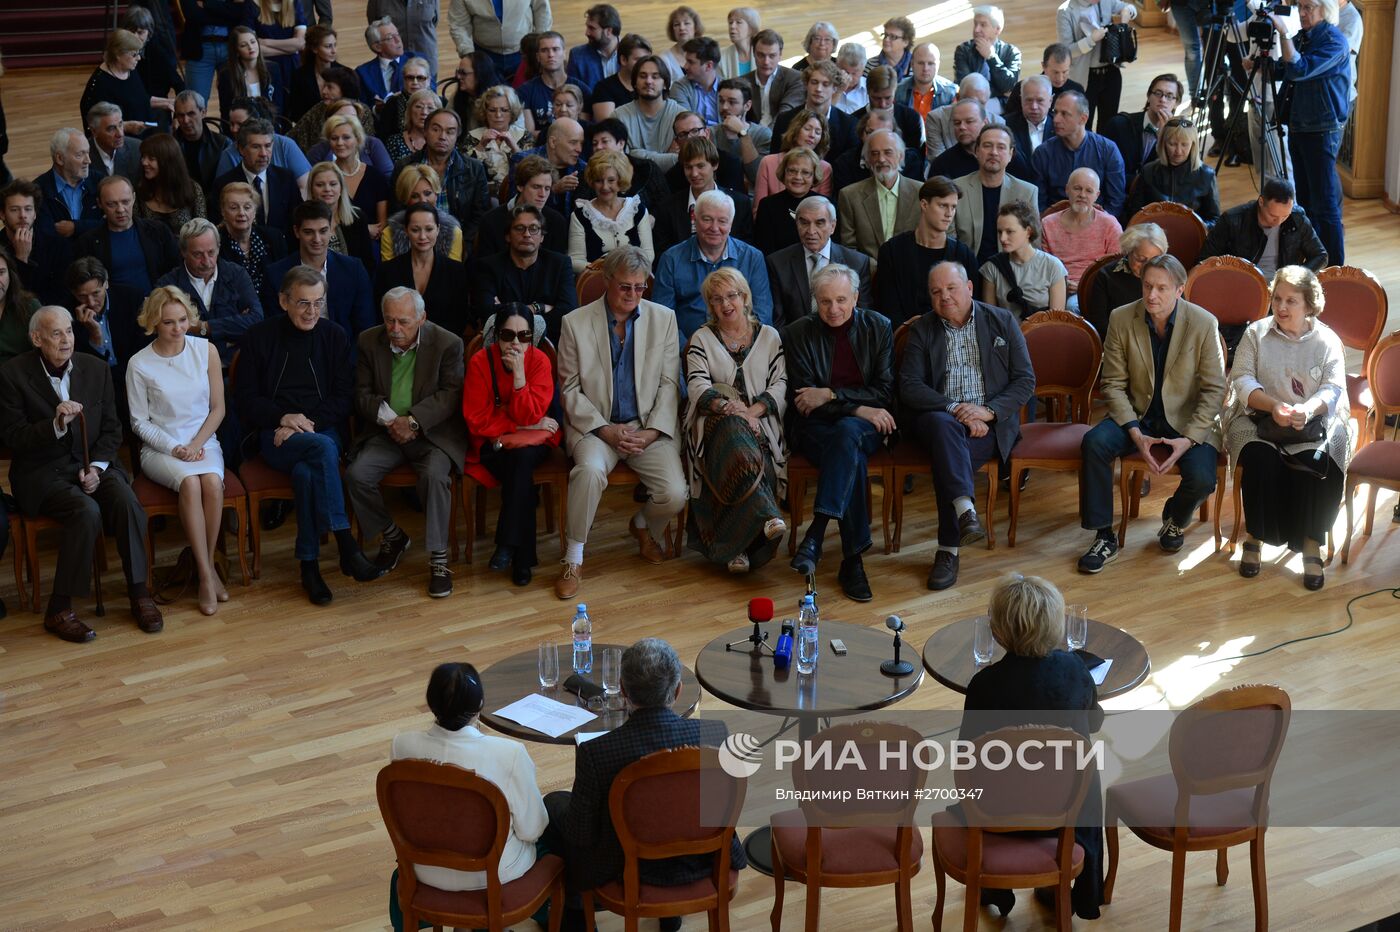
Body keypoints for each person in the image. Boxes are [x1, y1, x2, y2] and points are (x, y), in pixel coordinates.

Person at [544, 637, 745, 928]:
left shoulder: (596, 753)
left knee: (554, 805)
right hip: (702, 862)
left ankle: (574, 915)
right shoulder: (716, 735)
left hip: (628, 870)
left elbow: (581, 834)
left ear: (624, 691)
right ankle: (668, 916)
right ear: (677, 690)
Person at [0, 306, 162, 642]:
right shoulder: (12, 375)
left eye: (69, 331)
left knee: (126, 501)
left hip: (93, 464)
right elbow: (13, 437)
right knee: (85, 511)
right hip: (42, 472)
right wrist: (55, 425)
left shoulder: (96, 368)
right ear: (36, 338)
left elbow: (113, 430)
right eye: (56, 333)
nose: (66, 340)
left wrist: (97, 468)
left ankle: (139, 593)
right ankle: (59, 608)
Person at [234, 265, 386, 604]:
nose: (312, 311)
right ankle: (347, 546)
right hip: (273, 435)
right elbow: (245, 400)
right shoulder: (259, 337)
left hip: (317, 429)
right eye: (303, 303)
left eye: (318, 303)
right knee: (322, 451)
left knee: (308, 468)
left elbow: (344, 396)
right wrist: (282, 418)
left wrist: (304, 423)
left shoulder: (333, 335)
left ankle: (309, 566)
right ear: (283, 301)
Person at [959, 572, 1106, 921]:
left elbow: (967, 759)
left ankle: (995, 887)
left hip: (999, 814)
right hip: (1068, 814)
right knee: (1086, 766)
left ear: (998, 631)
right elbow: (1095, 723)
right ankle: (1076, 891)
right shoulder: (1075, 670)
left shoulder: (984, 685)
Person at [1077, 255, 1226, 573]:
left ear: (1180, 290)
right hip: (1137, 413)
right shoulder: (1121, 318)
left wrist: (1187, 441)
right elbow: (1113, 385)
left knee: (1202, 479)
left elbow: (1215, 391)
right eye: (1147, 286)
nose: (1152, 295)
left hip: (1186, 420)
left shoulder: (1203, 323)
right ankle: (1104, 536)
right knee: (1094, 443)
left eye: (1161, 288)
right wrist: (1135, 433)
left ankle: (1175, 517)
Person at [553, 247, 685, 599]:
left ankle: (642, 525)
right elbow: (568, 388)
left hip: (647, 427)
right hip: (597, 428)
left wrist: (652, 431)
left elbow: (669, 384)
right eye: (625, 286)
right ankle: (573, 558)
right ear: (607, 281)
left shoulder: (664, 319)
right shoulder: (575, 322)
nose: (632, 295)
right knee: (589, 472)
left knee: (675, 494)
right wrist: (606, 430)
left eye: (640, 288)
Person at [901, 262, 1035, 590]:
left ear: (970, 288)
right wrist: (954, 409)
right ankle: (964, 510)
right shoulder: (923, 329)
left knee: (950, 459)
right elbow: (909, 385)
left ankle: (949, 549)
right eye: (936, 291)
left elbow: (1024, 380)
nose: (944, 297)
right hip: (941, 420)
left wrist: (987, 412)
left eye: (951, 288)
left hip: (988, 426)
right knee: (944, 430)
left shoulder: (1001, 321)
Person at [388, 661, 549, 930]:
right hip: (493, 875)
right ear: (481, 704)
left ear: (430, 702)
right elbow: (532, 829)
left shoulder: (401, 745)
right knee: (551, 839)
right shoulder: (509, 754)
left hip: (425, 870)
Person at [1225, 266, 1350, 589]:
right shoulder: (1256, 333)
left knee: (1319, 461)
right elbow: (1241, 379)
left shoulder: (1326, 340)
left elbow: (1334, 387)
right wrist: (1272, 406)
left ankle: (1310, 542)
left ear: (1309, 305)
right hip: (1259, 418)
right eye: (1277, 299)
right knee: (1259, 458)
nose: (1281, 308)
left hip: (1312, 421)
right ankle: (1256, 536)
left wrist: (1307, 409)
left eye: (1291, 301)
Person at [347, 287, 468, 598]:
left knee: (434, 476)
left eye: (403, 322)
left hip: (431, 434)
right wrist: (393, 421)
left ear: (422, 318)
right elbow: (361, 394)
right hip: (386, 431)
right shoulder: (368, 341)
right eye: (389, 321)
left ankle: (439, 560)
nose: (395, 330)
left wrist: (413, 421)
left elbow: (450, 395)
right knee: (357, 475)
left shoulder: (447, 343)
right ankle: (392, 535)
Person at [783, 264, 893, 601]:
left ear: (856, 297)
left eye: (842, 300)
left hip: (869, 427)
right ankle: (852, 561)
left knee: (848, 434)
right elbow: (805, 402)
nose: (834, 309)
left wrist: (830, 394)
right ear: (815, 300)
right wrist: (857, 407)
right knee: (850, 453)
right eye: (825, 301)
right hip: (817, 429)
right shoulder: (798, 332)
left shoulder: (878, 326)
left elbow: (885, 392)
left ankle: (815, 535)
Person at [124, 286, 228, 616]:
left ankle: (206, 568)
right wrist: (176, 447)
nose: (178, 329)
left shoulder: (205, 351)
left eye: (183, 320)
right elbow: (139, 423)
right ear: (154, 322)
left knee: (211, 481)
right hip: (161, 448)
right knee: (191, 483)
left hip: (204, 441)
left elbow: (218, 409)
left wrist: (196, 445)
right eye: (169, 322)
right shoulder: (139, 364)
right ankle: (206, 574)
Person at [683, 268, 787, 573]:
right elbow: (697, 385)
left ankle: (737, 551)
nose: (726, 304)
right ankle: (768, 516)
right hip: (714, 422)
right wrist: (733, 411)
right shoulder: (702, 338)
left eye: (732, 296)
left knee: (739, 454)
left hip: (762, 423)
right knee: (730, 434)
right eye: (717, 299)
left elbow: (779, 383)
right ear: (710, 305)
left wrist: (752, 413)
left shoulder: (769, 337)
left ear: (745, 298)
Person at [462, 303, 561, 587]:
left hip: (532, 445)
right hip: (492, 444)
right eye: (508, 335)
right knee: (520, 470)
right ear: (496, 335)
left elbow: (532, 411)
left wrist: (519, 378)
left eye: (524, 336)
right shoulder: (482, 361)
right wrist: (524, 426)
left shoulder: (539, 361)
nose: (516, 344)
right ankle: (522, 558)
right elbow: (477, 420)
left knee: (521, 462)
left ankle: (509, 547)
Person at [1272, 0, 1351, 265]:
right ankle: (1315, 260)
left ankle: (1336, 269)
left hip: (1321, 129)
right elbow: (1286, 67)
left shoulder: (1335, 41)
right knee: (1305, 200)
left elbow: (1299, 69)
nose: (1302, 13)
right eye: (1301, 7)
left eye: (1308, 8)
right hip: (1299, 125)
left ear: (1325, 9)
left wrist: (1283, 34)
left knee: (1326, 205)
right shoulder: (1304, 37)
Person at [652, 190, 772, 345]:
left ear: (731, 223)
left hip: (742, 351)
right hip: (686, 352)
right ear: (694, 218)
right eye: (707, 219)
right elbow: (663, 319)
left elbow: (762, 315)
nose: (714, 228)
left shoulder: (752, 258)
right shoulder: (671, 259)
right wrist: (691, 351)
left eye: (722, 221)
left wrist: (738, 349)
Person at [261, 201, 376, 343]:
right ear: (296, 231)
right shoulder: (275, 274)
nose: (317, 239)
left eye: (323, 231)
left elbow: (364, 327)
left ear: (331, 229)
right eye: (309, 232)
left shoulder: (354, 269)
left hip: (343, 355)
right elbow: (274, 330)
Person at [875, 177, 979, 327]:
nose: (949, 213)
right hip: (905, 339)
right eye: (943, 206)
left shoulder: (964, 255)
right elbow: (887, 307)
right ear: (924, 204)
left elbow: (973, 306)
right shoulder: (892, 251)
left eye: (953, 207)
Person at [154, 218, 262, 361]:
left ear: (218, 248)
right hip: (189, 366)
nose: (206, 262)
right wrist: (230, 335)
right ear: (183, 252)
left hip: (237, 365)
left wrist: (203, 327)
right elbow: (165, 332)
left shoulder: (237, 274)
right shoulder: (168, 285)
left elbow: (256, 320)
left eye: (211, 252)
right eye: (197, 255)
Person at [473, 204, 576, 342]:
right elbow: (487, 312)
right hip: (503, 343)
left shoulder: (560, 264)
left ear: (542, 237)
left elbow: (567, 312)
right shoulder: (488, 266)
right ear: (508, 236)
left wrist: (504, 309)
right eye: (519, 228)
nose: (527, 234)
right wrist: (540, 307)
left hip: (550, 343)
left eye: (533, 229)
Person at [765, 195, 872, 325]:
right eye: (804, 223)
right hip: (795, 341)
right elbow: (778, 321)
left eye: (819, 223)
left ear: (833, 226)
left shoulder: (857, 262)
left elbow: (861, 317)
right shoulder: (777, 263)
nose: (811, 231)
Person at [389, 108, 490, 246]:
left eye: (450, 131)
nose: (442, 136)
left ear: (457, 136)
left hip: (459, 242)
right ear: (425, 131)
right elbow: (397, 209)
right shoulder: (405, 166)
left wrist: (462, 245)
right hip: (413, 240)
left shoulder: (474, 168)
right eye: (436, 129)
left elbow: (480, 216)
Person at [1199, 177, 1327, 280]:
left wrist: (1298, 276)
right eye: (1273, 216)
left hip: (1284, 284)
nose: (1278, 222)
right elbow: (1205, 258)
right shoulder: (1232, 220)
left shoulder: (1297, 219)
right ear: (1261, 202)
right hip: (1243, 281)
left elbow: (1320, 256)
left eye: (1285, 216)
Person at [74, 176, 180, 299]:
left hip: (157, 306)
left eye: (125, 202)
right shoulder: (88, 243)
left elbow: (176, 270)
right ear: (100, 204)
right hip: (116, 311)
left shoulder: (158, 231)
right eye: (111, 204)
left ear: (134, 198)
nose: (120, 209)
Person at [373, 205, 471, 337]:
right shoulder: (387, 271)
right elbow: (381, 316)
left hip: (442, 347)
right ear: (406, 231)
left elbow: (459, 318)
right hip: (397, 343)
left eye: (429, 229)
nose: (422, 236)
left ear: (438, 230)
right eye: (415, 230)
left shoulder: (455, 271)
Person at [953, 125, 1039, 264]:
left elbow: (1033, 242)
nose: (994, 152)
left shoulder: (1027, 192)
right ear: (976, 151)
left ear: (1011, 154)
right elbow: (949, 241)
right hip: (966, 269)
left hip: (1011, 270)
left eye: (1001, 147)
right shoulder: (956, 188)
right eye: (987, 146)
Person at [1032, 91, 1126, 215]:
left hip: (1097, 223)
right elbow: (1039, 203)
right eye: (1055, 112)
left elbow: (1115, 201)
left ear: (1083, 118)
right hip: (1055, 223)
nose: (1056, 119)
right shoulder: (1043, 153)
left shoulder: (1108, 150)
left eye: (1064, 114)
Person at [1041, 167, 1122, 308]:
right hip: (1054, 286)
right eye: (1077, 188)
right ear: (1067, 189)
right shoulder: (1048, 224)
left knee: (1073, 305)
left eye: (1089, 191)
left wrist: (1084, 286)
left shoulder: (1109, 224)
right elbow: (1042, 265)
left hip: (1096, 288)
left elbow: (1116, 267)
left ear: (1097, 195)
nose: (1082, 195)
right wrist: (1060, 283)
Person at [837, 129, 920, 264]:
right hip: (869, 276)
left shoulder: (921, 192)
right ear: (868, 160)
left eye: (888, 152)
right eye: (874, 154)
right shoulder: (849, 196)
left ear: (900, 156)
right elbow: (849, 248)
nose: (881, 159)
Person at [65, 257, 146, 392]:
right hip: (96, 385)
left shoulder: (131, 298)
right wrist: (95, 338)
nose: (91, 302)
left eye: (96, 293)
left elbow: (142, 345)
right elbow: (81, 367)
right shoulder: (67, 314)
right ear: (73, 293)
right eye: (82, 296)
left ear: (106, 284)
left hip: (135, 375)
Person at [568, 150, 655, 273]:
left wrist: (626, 271)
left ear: (620, 181)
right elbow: (575, 261)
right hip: (597, 284)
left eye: (611, 180)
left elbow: (648, 254)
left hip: (635, 280)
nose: (604, 187)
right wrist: (607, 272)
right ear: (592, 182)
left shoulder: (638, 210)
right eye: (599, 180)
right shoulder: (580, 215)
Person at [1055, 0, 1137, 129]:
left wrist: (1128, 11)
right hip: (1085, 78)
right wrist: (1090, 40)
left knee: (1109, 124)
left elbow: (1130, 8)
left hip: (1111, 72)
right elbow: (1067, 51)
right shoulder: (1065, 11)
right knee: (1082, 124)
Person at [1123, 117, 1220, 223]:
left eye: (1184, 144)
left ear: (1193, 145)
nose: (1178, 151)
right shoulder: (1148, 171)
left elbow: (1214, 219)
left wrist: (1195, 230)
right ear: (1163, 143)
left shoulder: (1207, 175)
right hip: (1152, 236)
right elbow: (1135, 213)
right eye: (1172, 144)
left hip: (1191, 237)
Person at [981, 202, 1069, 318]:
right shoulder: (992, 268)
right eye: (1000, 232)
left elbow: (1056, 321)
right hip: (1006, 334)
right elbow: (990, 318)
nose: (1002, 238)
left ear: (1028, 231)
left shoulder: (1052, 266)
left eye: (1009, 232)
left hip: (1043, 333)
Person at [212, 120, 302, 232]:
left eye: (268, 146)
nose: (263, 153)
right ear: (241, 149)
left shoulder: (286, 178)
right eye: (256, 147)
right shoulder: (223, 184)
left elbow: (298, 221)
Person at [1083, 221, 1167, 341]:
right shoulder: (1107, 276)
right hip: (1119, 345)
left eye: (1153, 261)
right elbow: (1099, 324)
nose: (1145, 267)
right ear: (1129, 251)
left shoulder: (1169, 276)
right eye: (1140, 259)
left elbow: (1180, 316)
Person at [1103, 73, 1184, 194]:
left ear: (1177, 102)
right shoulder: (1118, 124)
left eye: (1169, 96)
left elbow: (1171, 178)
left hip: (1153, 198)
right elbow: (1103, 167)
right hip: (1116, 190)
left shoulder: (1180, 137)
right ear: (1148, 96)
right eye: (1158, 93)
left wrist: (1164, 139)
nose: (1162, 99)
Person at [79, 29, 172, 133]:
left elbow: (140, 99)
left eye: (139, 53)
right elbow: (98, 124)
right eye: (134, 54)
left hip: (143, 130)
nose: (139, 58)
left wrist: (166, 102)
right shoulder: (100, 85)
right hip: (122, 139)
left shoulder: (130, 70)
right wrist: (126, 126)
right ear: (118, 54)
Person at [475, 156, 567, 258]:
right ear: (520, 186)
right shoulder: (491, 220)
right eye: (536, 187)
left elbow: (558, 267)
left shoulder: (557, 222)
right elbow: (484, 267)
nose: (542, 194)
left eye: (547, 188)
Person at [2, 180, 72, 307]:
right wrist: (21, 259)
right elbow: (8, 297)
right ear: (2, 214)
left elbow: (61, 294)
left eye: (28, 209)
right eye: (14, 210)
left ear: (35, 214)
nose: (23, 215)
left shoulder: (57, 245)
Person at [218, 97, 314, 189]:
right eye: (231, 124)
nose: (234, 129)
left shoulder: (285, 145)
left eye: (240, 124)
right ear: (241, 149)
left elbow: (306, 185)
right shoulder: (228, 155)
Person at [613, 56, 689, 170]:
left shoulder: (681, 116)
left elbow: (686, 161)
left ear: (665, 84)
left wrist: (635, 154)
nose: (648, 81)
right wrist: (668, 157)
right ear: (634, 83)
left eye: (655, 76)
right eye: (643, 76)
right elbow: (619, 162)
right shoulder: (619, 116)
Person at [771, 61, 856, 162]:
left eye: (825, 84)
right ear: (806, 84)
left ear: (835, 88)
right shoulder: (785, 119)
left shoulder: (848, 125)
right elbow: (774, 161)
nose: (819, 89)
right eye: (814, 82)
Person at [448, 0, 553, 82]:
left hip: (523, 53)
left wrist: (539, 47)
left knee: (524, 98)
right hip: (484, 54)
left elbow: (542, 11)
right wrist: (469, 56)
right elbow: (459, 24)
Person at [217, 181, 289, 298]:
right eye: (234, 208)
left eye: (247, 207)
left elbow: (285, 281)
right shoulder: (216, 242)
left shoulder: (274, 238)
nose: (241, 213)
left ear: (254, 211)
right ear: (223, 212)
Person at [322, 114, 390, 238]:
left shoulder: (375, 176)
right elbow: (321, 218)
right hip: (335, 245)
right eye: (334, 138)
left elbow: (382, 225)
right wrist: (364, 229)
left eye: (346, 137)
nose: (340, 143)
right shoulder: (323, 177)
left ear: (358, 139)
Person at [381, 164, 468, 262]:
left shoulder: (453, 232)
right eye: (414, 196)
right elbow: (388, 275)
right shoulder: (390, 233)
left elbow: (453, 273)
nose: (422, 200)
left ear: (436, 194)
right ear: (405, 198)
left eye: (427, 193)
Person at [753, 109, 834, 208]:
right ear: (795, 130)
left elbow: (824, 209)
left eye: (818, 132)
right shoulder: (768, 162)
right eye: (807, 129)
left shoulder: (825, 168)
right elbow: (758, 209)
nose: (812, 135)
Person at [752, 148, 825, 256]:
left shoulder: (826, 205)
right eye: (792, 171)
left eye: (805, 172)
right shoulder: (767, 205)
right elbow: (765, 250)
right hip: (779, 268)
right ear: (784, 173)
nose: (798, 177)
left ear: (814, 177)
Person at [308, 160, 374, 273]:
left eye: (333, 184)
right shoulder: (303, 220)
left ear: (341, 188)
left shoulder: (357, 218)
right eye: (320, 185)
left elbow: (367, 264)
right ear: (312, 190)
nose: (327, 189)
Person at [36, 127, 102, 240]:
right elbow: (43, 234)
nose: (88, 161)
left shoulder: (99, 181)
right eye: (80, 155)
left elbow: (112, 222)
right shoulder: (38, 190)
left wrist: (77, 227)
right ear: (60, 159)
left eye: (88, 153)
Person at [134, 134, 206, 236]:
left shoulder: (193, 189)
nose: (144, 162)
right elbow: (137, 231)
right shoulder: (140, 191)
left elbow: (202, 230)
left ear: (167, 161)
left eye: (151, 158)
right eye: (143, 157)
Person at [954, 6, 1022, 114]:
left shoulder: (1011, 52)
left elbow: (1009, 86)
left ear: (997, 29)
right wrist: (1001, 91)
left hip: (1002, 108)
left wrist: (991, 57)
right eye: (975, 24)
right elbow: (965, 86)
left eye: (983, 25)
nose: (976, 29)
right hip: (971, 105)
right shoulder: (964, 50)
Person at [467, 85, 531, 188]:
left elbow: (531, 171)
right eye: (492, 110)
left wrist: (514, 147)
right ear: (485, 112)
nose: (498, 115)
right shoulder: (473, 136)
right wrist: (481, 146)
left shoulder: (524, 136)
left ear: (512, 112)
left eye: (504, 110)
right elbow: (465, 172)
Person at [172, 91, 233, 197]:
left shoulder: (222, 144)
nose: (186, 120)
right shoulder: (170, 145)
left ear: (203, 113)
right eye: (181, 115)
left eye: (191, 114)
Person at [713, 79, 771, 188]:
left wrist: (742, 133)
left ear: (747, 106)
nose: (724, 107)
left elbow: (756, 176)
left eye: (732, 102)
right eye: (721, 101)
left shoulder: (762, 134)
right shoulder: (711, 132)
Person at [245, 0, 308, 101]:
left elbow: (300, 43)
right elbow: (254, 48)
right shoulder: (253, 5)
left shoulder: (294, 3)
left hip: (292, 67)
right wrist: (290, 49)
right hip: (266, 67)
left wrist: (265, 42)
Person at [744, 29, 805, 129]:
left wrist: (764, 137)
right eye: (761, 55)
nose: (766, 62)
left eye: (772, 56)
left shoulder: (795, 78)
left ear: (780, 55)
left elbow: (785, 114)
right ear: (753, 53)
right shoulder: (743, 81)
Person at [368, 0, 441, 82]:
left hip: (426, 58)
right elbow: (375, 28)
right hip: (393, 64)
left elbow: (434, 21)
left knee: (427, 93)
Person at [216, 26, 276, 120]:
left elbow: (279, 105)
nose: (250, 47)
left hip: (269, 126)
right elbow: (225, 111)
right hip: (241, 128)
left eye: (253, 42)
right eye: (243, 45)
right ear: (236, 51)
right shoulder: (226, 75)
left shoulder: (273, 69)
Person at [590, 34, 651, 121]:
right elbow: (608, 128)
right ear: (623, 60)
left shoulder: (650, 85)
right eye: (638, 59)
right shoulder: (603, 88)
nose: (644, 64)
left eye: (647, 59)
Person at [355, 17, 415, 106]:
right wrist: (376, 110)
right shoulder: (363, 73)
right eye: (390, 37)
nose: (398, 40)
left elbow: (431, 93)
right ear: (377, 47)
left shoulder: (416, 59)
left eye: (397, 34)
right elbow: (362, 107)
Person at [518, 31, 568, 133]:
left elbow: (583, 130)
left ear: (564, 54)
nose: (550, 55)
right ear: (538, 57)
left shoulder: (580, 88)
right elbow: (530, 134)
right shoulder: (525, 91)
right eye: (544, 50)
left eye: (555, 49)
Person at [565, 4, 621, 96]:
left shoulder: (632, 52)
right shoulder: (577, 56)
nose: (586, 33)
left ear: (609, 31)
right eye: (587, 27)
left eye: (592, 28)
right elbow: (574, 96)